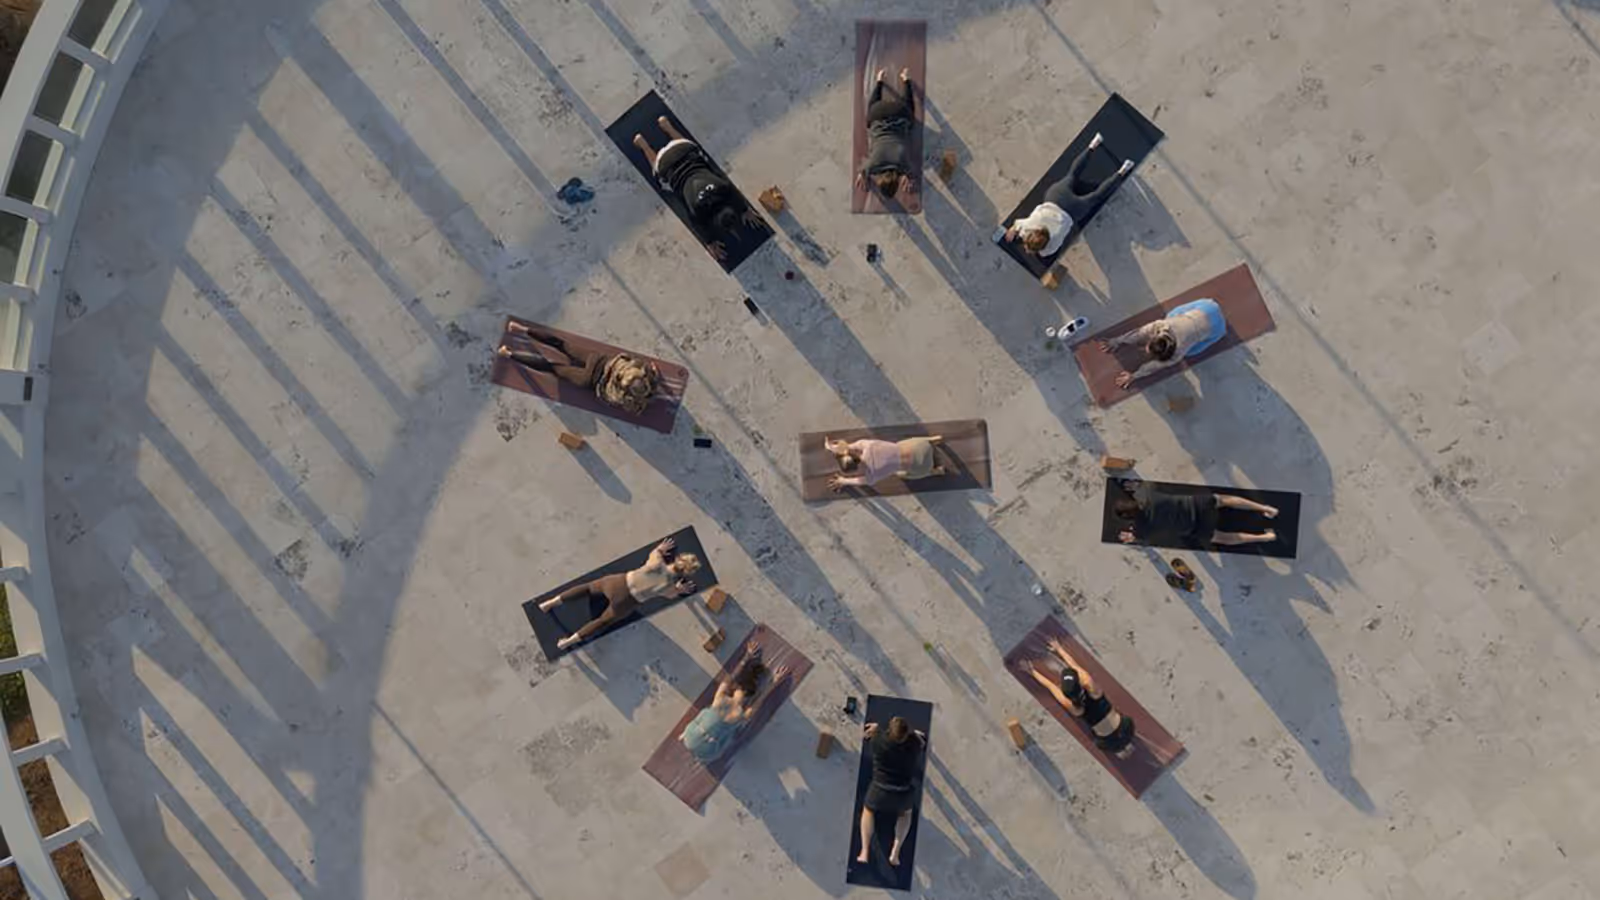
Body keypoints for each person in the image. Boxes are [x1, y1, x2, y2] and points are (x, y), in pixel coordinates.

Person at [633, 115, 768, 262]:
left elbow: (734, 194)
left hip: (682, 147)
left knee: (695, 154)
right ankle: (643, 145)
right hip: (665, 164)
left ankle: (666, 126)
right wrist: (709, 242)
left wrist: (744, 210)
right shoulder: (698, 210)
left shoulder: (722, 188)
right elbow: (696, 223)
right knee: (664, 180)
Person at [1002, 132, 1134, 280]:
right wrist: (1013, 229)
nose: (1025, 250)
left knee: (1096, 196)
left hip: (1073, 210)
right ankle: (1093, 144)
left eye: (1027, 248)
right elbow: (1017, 224)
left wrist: (1034, 248)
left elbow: (1044, 252)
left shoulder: (1048, 249)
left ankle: (1123, 170)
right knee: (1072, 175)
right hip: (1056, 196)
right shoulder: (1029, 226)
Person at [539, 537, 701, 650]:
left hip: (617, 583)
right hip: (627, 602)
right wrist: (680, 589)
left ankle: (549, 603)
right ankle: (567, 642)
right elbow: (671, 595)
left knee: (588, 588)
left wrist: (660, 548)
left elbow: (655, 552)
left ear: (678, 558)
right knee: (602, 621)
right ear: (686, 573)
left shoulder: (657, 561)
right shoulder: (669, 585)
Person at [497, 321, 662, 415]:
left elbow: (649, 369)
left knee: (561, 344)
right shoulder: (627, 398)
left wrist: (653, 374)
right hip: (589, 380)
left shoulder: (638, 369)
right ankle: (509, 353)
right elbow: (629, 408)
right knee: (552, 367)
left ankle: (520, 328)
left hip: (597, 361)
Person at [680, 642, 790, 764]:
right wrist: (774, 681)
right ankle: (700, 755)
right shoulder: (741, 715)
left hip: (691, 737)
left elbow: (731, 677)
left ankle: (688, 736)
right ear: (748, 696)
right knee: (728, 736)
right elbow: (760, 699)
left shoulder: (720, 699)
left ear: (735, 688)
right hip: (706, 750)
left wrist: (746, 657)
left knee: (706, 715)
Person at [1028, 636, 1137, 758]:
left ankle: (1119, 748)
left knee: (1100, 738)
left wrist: (1031, 671)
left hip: (1108, 742)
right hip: (1125, 729)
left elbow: (1051, 686)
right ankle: (1124, 744)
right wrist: (1059, 648)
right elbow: (1074, 666)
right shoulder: (1092, 687)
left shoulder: (1075, 708)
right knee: (1116, 717)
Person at [1098, 298, 1229, 389]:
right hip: (1207, 307)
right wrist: (1117, 341)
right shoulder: (1163, 325)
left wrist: (1134, 376)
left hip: (1217, 326)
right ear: (1155, 336)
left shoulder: (1178, 353)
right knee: (1171, 316)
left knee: (1192, 353)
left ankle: (1205, 331)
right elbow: (1139, 333)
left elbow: (1154, 366)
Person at [1112, 482, 1278, 547]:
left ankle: (1265, 537)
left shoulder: (1142, 527)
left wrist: (1132, 536)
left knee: (1224, 538)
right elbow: (1142, 487)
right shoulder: (1148, 496)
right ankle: (1265, 508)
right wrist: (1133, 487)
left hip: (1196, 527)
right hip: (1198, 505)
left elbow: (1142, 539)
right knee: (1225, 500)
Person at [856, 716, 926, 867]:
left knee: (868, 811)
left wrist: (876, 729)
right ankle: (895, 852)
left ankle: (864, 851)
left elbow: (876, 734)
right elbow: (920, 741)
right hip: (902, 792)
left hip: (879, 789)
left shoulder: (877, 741)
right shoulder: (914, 745)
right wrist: (914, 734)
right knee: (905, 815)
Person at [853, 67, 917, 202]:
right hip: (879, 114)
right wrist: (862, 175)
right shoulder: (872, 166)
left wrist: (908, 177)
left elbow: (910, 171)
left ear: (898, 182)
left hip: (900, 113)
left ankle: (906, 78)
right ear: (880, 180)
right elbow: (862, 169)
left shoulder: (903, 164)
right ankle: (879, 80)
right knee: (871, 110)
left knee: (910, 110)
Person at [825, 435, 946, 492]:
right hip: (922, 446)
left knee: (900, 474)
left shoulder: (873, 473)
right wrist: (833, 448)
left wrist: (843, 480)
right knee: (899, 445)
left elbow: (861, 481)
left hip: (923, 466)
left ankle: (935, 471)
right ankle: (933, 440)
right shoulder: (866, 444)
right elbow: (848, 447)